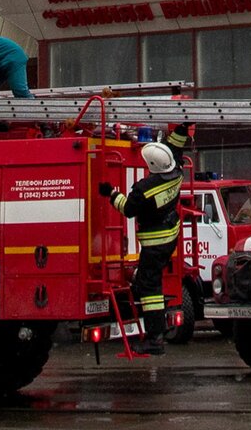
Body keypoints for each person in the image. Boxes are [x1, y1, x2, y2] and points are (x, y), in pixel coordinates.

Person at [97, 124, 192, 354]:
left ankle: (155, 339)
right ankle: (155, 332)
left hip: (154, 243)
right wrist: (182, 129)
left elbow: (128, 208)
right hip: (170, 235)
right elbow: (174, 150)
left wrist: (111, 193)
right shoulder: (177, 172)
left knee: (150, 288)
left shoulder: (144, 190)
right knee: (150, 282)